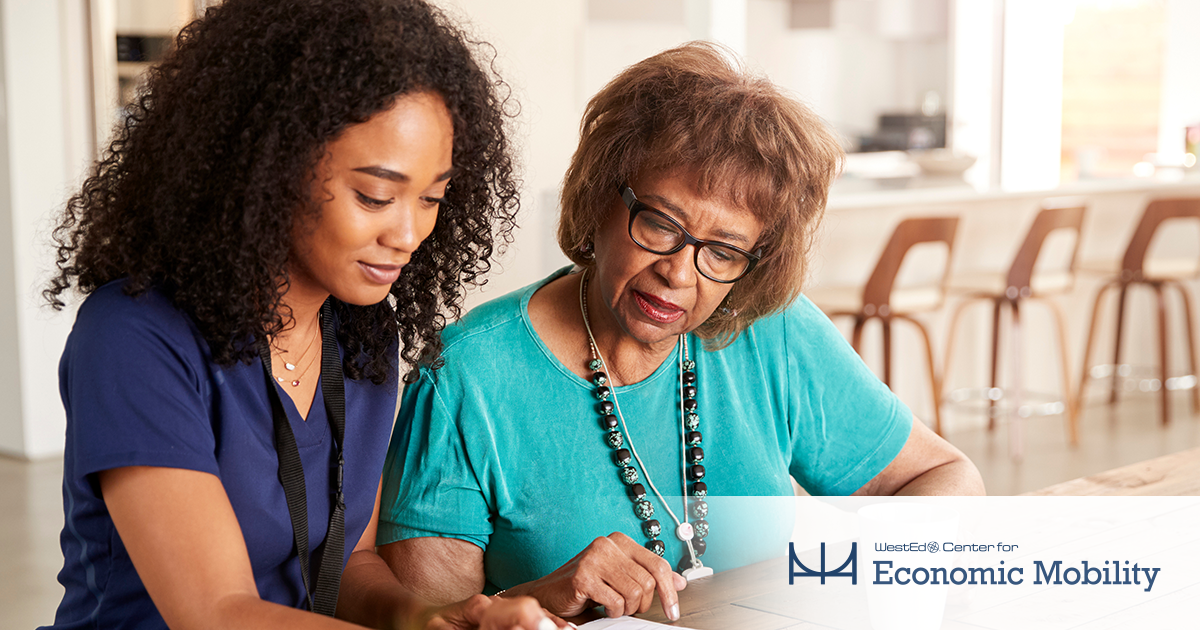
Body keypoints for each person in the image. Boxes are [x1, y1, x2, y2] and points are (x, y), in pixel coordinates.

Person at [375, 41, 986, 623]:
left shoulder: (771, 332)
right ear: (599, 200)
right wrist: (547, 598)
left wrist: (877, 581)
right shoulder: (466, 378)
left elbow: (945, 477)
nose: (678, 272)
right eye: (661, 224)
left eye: (722, 251)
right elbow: (433, 624)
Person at [40, 1, 557, 629]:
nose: (407, 232)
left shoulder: (364, 337)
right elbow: (216, 613)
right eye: (374, 196)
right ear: (268, 166)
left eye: (431, 198)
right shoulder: (133, 339)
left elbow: (347, 565)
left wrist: (431, 619)